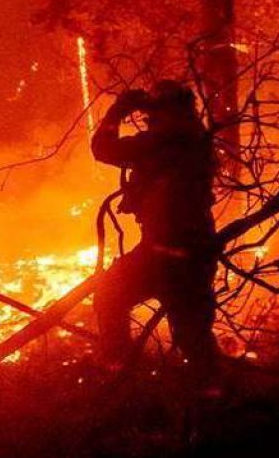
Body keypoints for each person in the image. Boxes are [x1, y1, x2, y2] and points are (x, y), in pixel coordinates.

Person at [91, 80, 220, 379]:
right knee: (193, 335)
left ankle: (117, 371)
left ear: (167, 113)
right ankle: (215, 398)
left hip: (161, 252)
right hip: (198, 250)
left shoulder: (159, 143)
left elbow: (103, 148)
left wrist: (118, 111)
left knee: (109, 293)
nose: (150, 120)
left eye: (154, 114)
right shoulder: (197, 140)